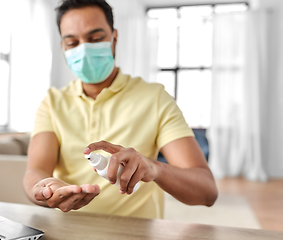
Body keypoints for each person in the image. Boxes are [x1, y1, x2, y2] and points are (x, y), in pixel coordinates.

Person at [23, 0, 218, 219]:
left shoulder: (155, 99)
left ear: (114, 38)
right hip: (67, 229)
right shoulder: (52, 102)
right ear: (63, 47)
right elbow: (35, 172)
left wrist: (154, 168)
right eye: (72, 42)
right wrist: (45, 188)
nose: (84, 49)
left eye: (95, 39)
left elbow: (207, 191)